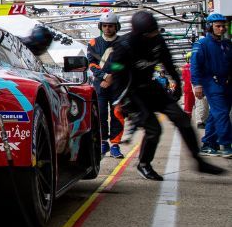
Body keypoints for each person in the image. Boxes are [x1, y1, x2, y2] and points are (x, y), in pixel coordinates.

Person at [100, 11, 224, 180]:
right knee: (154, 129)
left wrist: (177, 83)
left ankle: (199, 161)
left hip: (151, 87)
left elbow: (168, 62)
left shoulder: (157, 40)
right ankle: (144, 164)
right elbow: (117, 77)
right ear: (141, 33)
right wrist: (121, 102)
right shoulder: (124, 46)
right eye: (152, 31)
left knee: (182, 119)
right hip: (132, 92)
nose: (156, 33)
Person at [190, 12, 232, 158]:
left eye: (223, 26)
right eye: (218, 26)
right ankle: (226, 145)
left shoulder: (226, 45)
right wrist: (197, 85)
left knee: (216, 114)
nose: (222, 29)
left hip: (226, 83)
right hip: (210, 82)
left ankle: (208, 144)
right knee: (221, 113)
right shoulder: (202, 44)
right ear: (209, 27)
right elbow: (195, 66)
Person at [86, 12, 125, 158]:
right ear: (101, 27)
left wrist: (112, 77)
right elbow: (92, 63)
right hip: (100, 84)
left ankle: (115, 144)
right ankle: (103, 142)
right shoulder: (93, 43)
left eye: (110, 26)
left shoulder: (123, 42)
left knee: (118, 114)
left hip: (118, 85)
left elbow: (125, 64)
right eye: (105, 26)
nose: (107, 28)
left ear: (116, 27)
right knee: (101, 114)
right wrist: (104, 76)